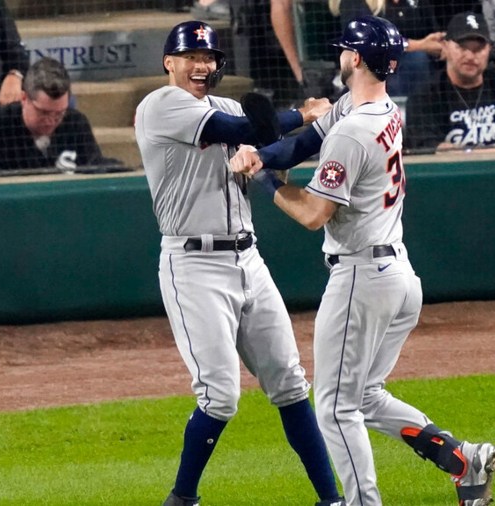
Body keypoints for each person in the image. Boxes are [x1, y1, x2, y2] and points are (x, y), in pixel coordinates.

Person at [229, 15, 495, 506]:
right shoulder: (376, 107)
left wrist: (262, 180)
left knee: (334, 409)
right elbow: (304, 143)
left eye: (344, 50)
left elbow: (313, 214)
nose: (340, 54)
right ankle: (462, 459)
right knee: (365, 396)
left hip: (361, 277)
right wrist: (263, 155)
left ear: (354, 58)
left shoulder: (353, 130)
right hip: (396, 278)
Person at [133, 20, 345, 506]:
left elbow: (271, 148)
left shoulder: (227, 103)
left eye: (208, 58)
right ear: (170, 62)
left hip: (248, 258)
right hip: (193, 265)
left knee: (291, 383)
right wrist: (305, 112)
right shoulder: (159, 106)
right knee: (220, 395)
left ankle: (331, 500)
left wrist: (311, 130)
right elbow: (242, 129)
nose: (201, 66)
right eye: (191, 57)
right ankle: (182, 498)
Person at [405, 11, 495, 151]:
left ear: (489, 49)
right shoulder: (424, 97)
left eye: (478, 49)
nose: (470, 56)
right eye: (462, 47)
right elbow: (430, 152)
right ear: (446, 47)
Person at [0, 57, 119, 174]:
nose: (51, 121)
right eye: (44, 112)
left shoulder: (75, 123)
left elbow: (95, 170)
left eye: (59, 113)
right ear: (24, 99)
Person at [329, 0, 445, 97]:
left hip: (422, 70)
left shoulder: (417, 3)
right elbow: (365, 39)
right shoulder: (354, 3)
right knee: (417, 59)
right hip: (376, 72)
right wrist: (419, 45)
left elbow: (433, 35)